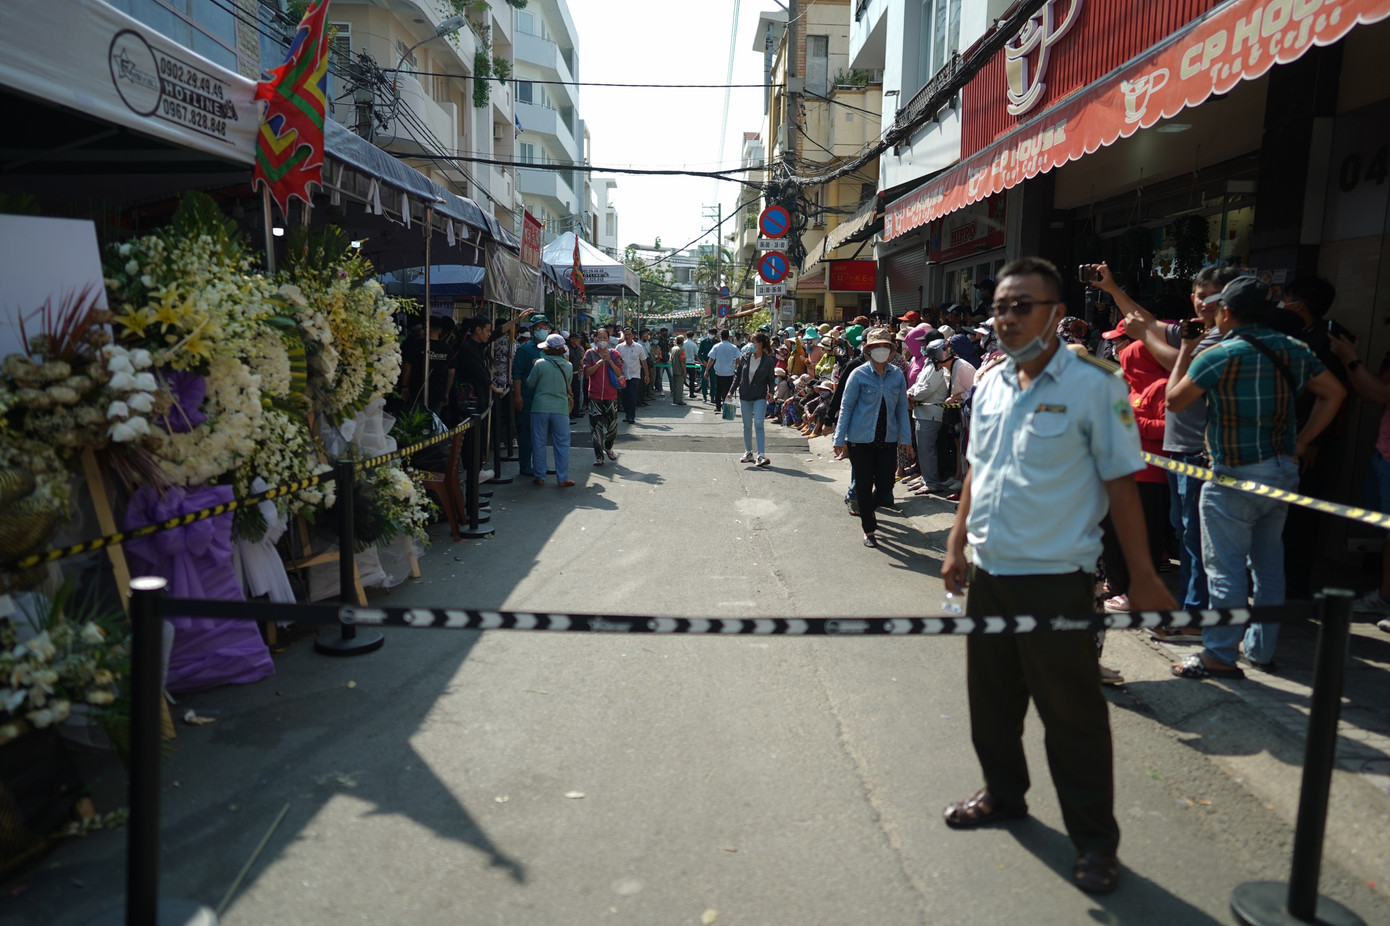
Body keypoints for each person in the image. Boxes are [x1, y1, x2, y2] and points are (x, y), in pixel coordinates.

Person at [940, 256, 1176, 896]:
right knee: (990, 704)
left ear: (1055, 314)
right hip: (990, 574)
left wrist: (1147, 576)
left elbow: (1122, 487)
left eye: (1023, 306)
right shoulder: (989, 384)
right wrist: (957, 545)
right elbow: (976, 473)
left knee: (1072, 718)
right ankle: (1004, 793)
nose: (1008, 317)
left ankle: (1096, 842)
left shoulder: (1096, 386)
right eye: (1000, 307)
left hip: (1055, 581)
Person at [1166, 276, 1345, 677]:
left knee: (1226, 571)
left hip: (1233, 475)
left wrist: (1186, 351)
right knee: (1268, 567)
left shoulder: (1220, 353)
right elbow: (1334, 392)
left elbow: (1174, 401)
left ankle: (1219, 654)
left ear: (1226, 312)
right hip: (1282, 470)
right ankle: (1261, 651)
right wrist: (1302, 442)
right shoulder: (1293, 348)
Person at [1097, 263, 1241, 621]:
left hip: (1201, 457)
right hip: (1177, 460)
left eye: (1215, 297)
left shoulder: (1224, 342)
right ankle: (1192, 610)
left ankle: (1198, 616)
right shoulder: (1197, 334)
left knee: (1204, 544)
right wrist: (1114, 289)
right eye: (1200, 296)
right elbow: (1147, 323)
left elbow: (1180, 368)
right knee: (1189, 538)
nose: (1205, 304)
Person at [1329, 332, 1390, 632]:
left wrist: (1349, 359)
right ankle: (1384, 597)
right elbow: (1373, 393)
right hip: (1384, 454)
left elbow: (1379, 394)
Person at [832, 328, 911, 548]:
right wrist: (839, 439)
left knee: (886, 485)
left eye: (885, 346)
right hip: (860, 440)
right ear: (869, 350)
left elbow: (902, 408)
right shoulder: (859, 374)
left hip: (887, 439)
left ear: (891, 350)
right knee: (864, 485)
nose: (881, 350)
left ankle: (868, 510)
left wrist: (906, 439)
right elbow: (846, 407)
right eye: (876, 347)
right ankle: (869, 529)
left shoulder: (897, 375)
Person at [524, 333, 575, 487]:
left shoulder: (540, 363)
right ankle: (563, 478)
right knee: (562, 443)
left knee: (539, 442)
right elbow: (568, 384)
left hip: (540, 406)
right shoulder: (568, 366)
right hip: (560, 408)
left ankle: (539, 476)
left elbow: (530, 383)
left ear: (547, 348)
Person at [907, 339, 950, 493]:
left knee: (927, 450)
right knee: (923, 450)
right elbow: (918, 383)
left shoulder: (939, 368)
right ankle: (926, 479)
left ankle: (932, 482)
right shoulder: (929, 364)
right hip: (922, 412)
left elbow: (927, 389)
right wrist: (910, 393)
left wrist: (912, 397)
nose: (923, 347)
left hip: (930, 414)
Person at [511, 314, 552, 473]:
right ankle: (525, 465)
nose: (542, 330)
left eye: (544, 327)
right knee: (527, 433)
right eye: (538, 328)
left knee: (543, 434)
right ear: (532, 330)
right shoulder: (524, 350)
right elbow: (517, 374)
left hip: (547, 398)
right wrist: (518, 395)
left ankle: (540, 464)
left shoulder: (552, 349)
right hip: (529, 398)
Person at [731, 331, 777, 466]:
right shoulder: (745, 357)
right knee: (746, 425)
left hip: (760, 396)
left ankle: (761, 455)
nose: (751, 345)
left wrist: (771, 392)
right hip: (745, 395)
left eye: (753, 342)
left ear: (760, 344)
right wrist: (731, 391)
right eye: (750, 342)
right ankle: (748, 452)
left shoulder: (768, 361)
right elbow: (737, 376)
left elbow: (771, 379)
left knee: (758, 423)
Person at [582, 327, 623, 466]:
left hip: (611, 396)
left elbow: (619, 373)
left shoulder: (614, 354)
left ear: (608, 339)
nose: (601, 340)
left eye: (604, 338)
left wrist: (609, 361)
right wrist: (599, 363)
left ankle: (608, 446)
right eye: (599, 338)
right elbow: (587, 372)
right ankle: (599, 457)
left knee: (612, 427)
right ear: (595, 339)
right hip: (594, 395)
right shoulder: (590, 354)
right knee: (596, 428)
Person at [614, 326, 648, 424]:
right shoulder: (619, 347)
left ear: (633, 335)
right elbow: (615, 360)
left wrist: (647, 375)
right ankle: (627, 414)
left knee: (632, 395)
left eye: (629, 334)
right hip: (622, 376)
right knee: (624, 396)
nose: (627, 336)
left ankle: (631, 416)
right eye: (626, 334)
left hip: (635, 375)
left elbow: (644, 361)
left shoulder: (638, 347)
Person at [706, 329, 742, 414]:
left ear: (721, 336)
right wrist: (735, 366)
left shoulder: (716, 346)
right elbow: (738, 359)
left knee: (718, 390)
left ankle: (718, 407)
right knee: (727, 391)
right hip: (729, 372)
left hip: (719, 372)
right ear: (728, 337)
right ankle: (726, 407)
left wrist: (707, 370)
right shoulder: (733, 347)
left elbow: (711, 359)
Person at [669, 337, 689, 406]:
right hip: (679, 370)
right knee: (679, 387)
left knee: (675, 386)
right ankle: (679, 400)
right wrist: (684, 370)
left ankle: (675, 400)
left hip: (674, 369)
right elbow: (682, 361)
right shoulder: (681, 349)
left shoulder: (673, 348)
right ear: (682, 341)